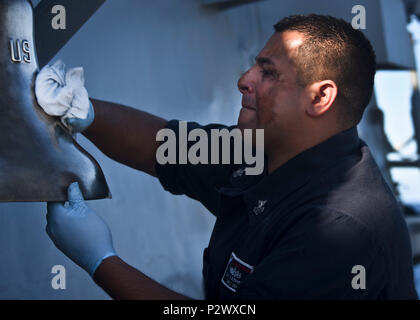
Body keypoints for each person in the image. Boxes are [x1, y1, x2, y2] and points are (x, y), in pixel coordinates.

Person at [36, 14, 418, 300]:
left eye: (267, 73)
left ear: (320, 97)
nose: (244, 79)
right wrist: (81, 110)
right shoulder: (265, 153)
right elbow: (163, 146)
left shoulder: (343, 229)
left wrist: (101, 261)